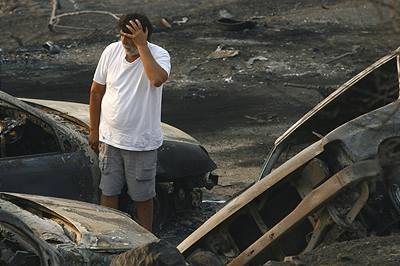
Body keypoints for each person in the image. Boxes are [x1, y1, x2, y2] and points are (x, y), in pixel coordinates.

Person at [88, 13, 171, 232]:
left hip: (140, 143)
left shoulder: (159, 55)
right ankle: (111, 236)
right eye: (123, 36)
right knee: (108, 191)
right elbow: (96, 92)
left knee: (142, 196)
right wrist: (94, 130)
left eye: (131, 38)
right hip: (110, 139)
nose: (125, 42)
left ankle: (147, 242)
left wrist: (142, 46)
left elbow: (156, 79)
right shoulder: (111, 51)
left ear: (145, 36)